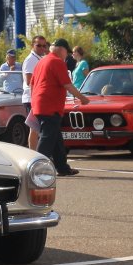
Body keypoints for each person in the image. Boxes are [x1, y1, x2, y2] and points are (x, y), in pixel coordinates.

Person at [32, 38, 90, 177]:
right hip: (50, 106)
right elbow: (67, 84)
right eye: (66, 52)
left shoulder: (42, 61)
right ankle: (35, 169)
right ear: (60, 49)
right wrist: (82, 98)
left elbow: (32, 84)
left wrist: (35, 102)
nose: (67, 55)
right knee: (47, 139)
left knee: (56, 140)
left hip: (41, 104)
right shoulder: (57, 62)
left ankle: (63, 168)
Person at [22, 35, 49, 151]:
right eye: (38, 45)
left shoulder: (39, 58)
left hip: (37, 98)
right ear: (32, 45)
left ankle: (36, 153)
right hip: (31, 98)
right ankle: (33, 154)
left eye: (44, 46)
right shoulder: (31, 59)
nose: (42, 48)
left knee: (36, 129)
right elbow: (29, 81)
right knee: (34, 129)